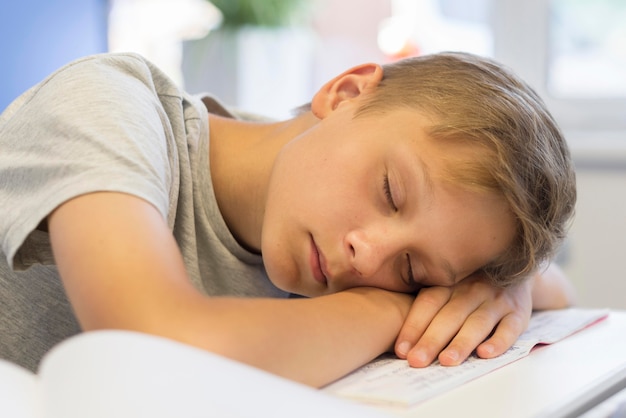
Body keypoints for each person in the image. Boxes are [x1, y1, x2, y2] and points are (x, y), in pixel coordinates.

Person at [0, 51, 576, 388]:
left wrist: (506, 288)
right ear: (345, 92)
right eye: (390, 192)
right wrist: (385, 307)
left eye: (412, 270)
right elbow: (154, 351)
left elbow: (561, 291)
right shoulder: (111, 107)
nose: (367, 255)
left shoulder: (310, 203)